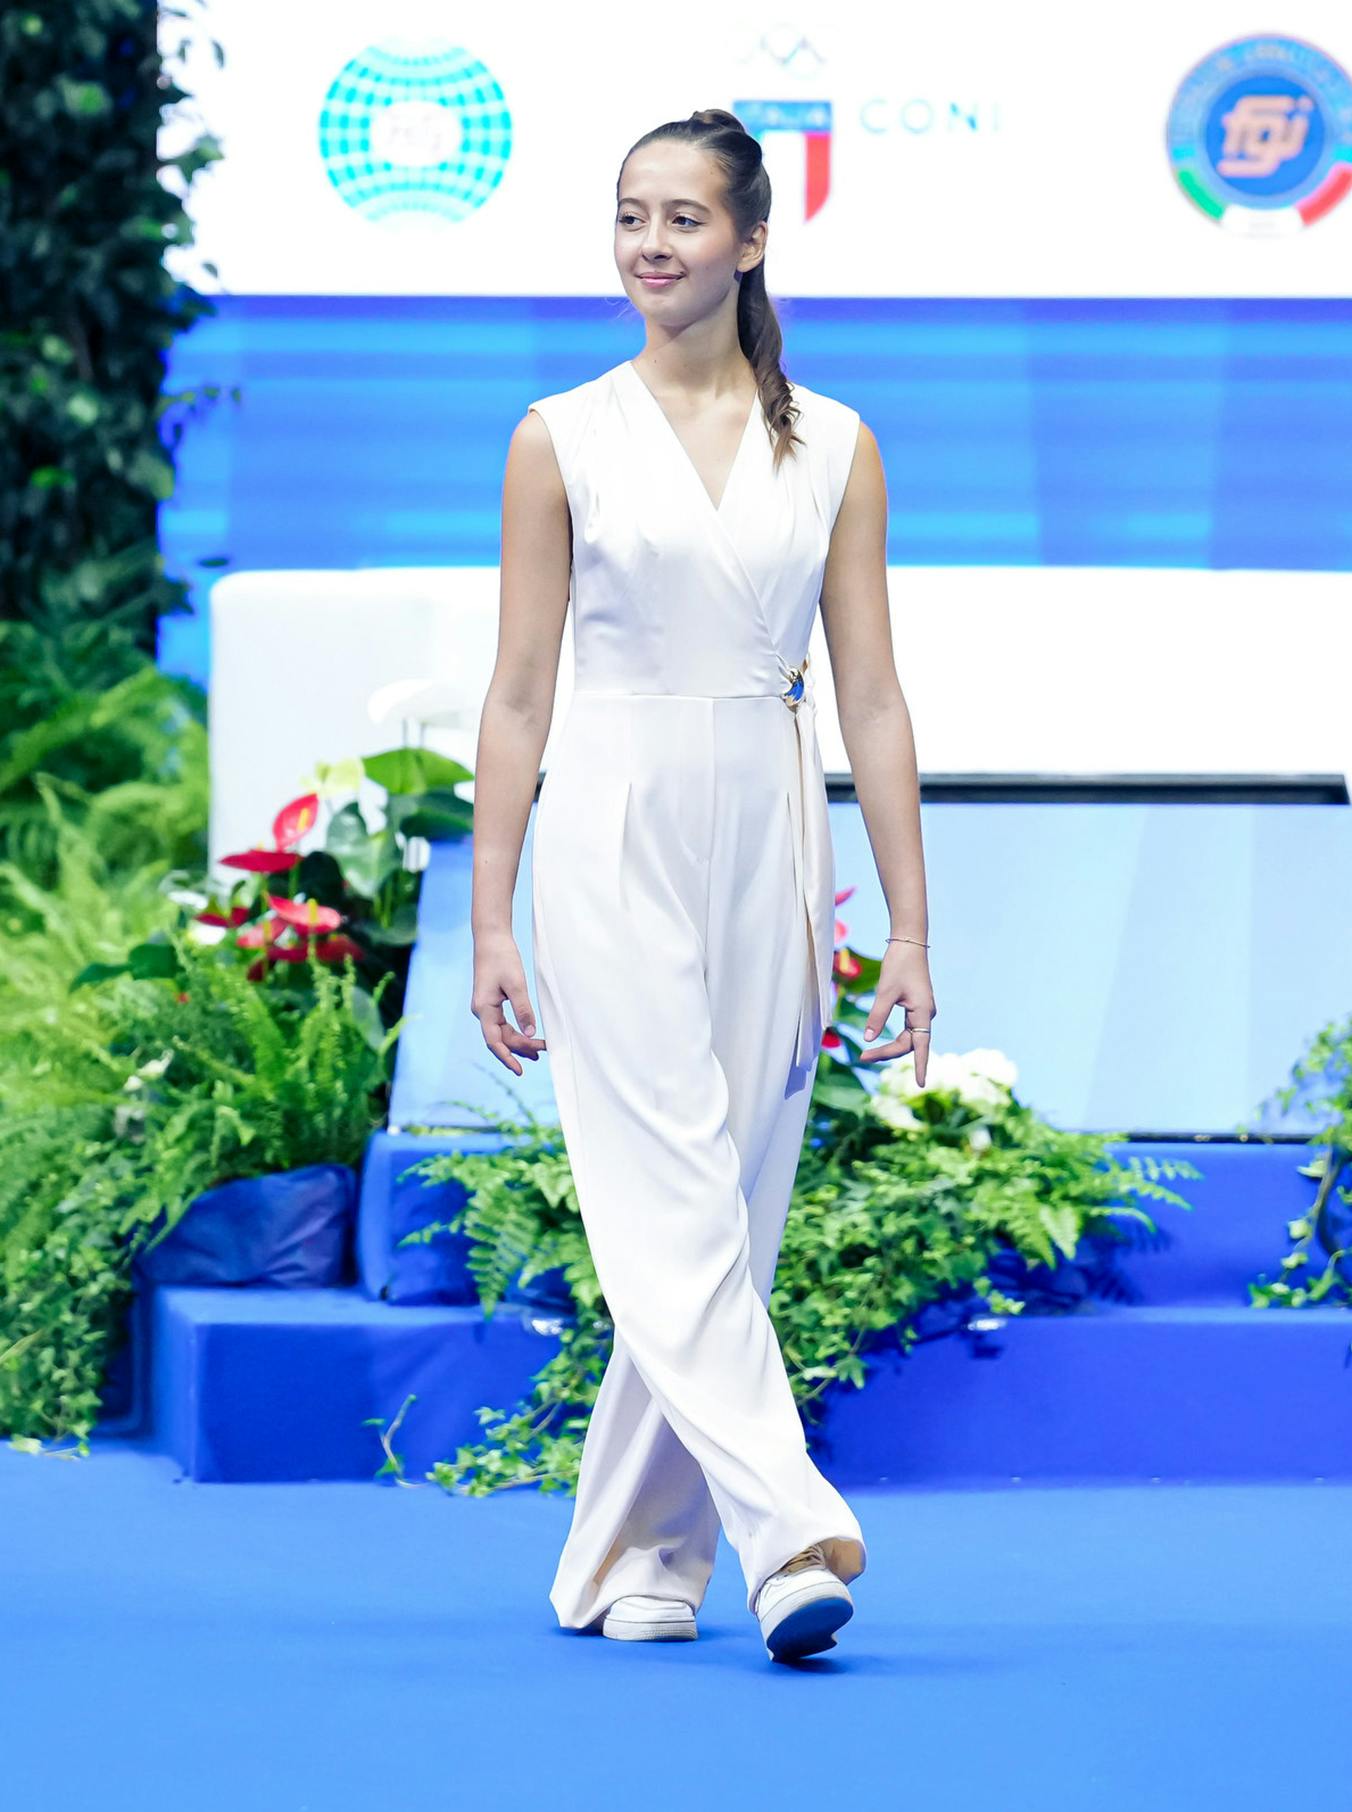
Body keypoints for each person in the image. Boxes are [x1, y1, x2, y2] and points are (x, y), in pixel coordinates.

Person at [470, 108, 934, 1664]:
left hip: (772, 824)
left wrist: (912, 929)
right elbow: (520, 693)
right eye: (628, 217)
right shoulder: (560, 433)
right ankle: (786, 1528)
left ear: (749, 241)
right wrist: (485, 914)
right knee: (666, 1186)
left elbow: (872, 698)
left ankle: (632, 1561)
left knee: (725, 1199)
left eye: (682, 219)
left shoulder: (840, 446)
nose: (650, 245)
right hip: (609, 818)